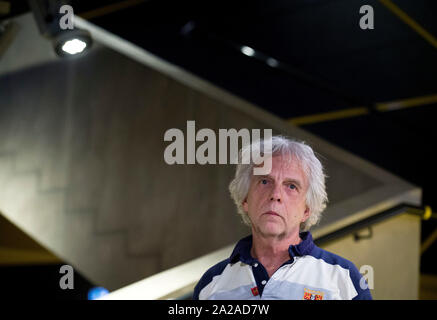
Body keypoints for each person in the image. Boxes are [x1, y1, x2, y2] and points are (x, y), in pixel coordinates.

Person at [193, 135, 372, 300]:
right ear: (245, 199)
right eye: (264, 181)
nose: (276, 194)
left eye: (291, 186)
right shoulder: (211, 285)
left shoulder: (344, 280)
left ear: (307, 209)